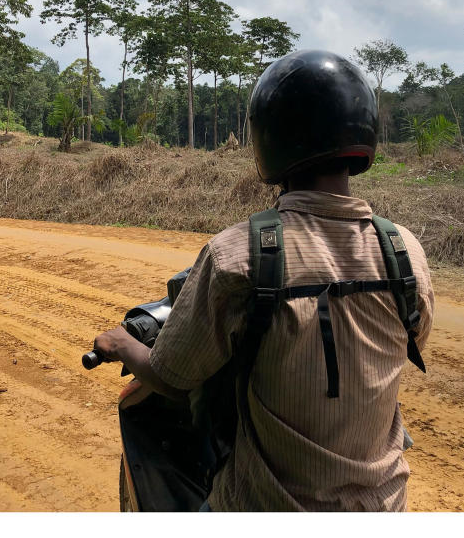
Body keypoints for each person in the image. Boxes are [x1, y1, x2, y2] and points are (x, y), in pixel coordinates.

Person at [93, 49, 435, 511]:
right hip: (384, 506)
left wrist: (120, 344)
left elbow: (173, 377)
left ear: (270, 138)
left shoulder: (237, 254)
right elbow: (413, 337)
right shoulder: (404, 251)